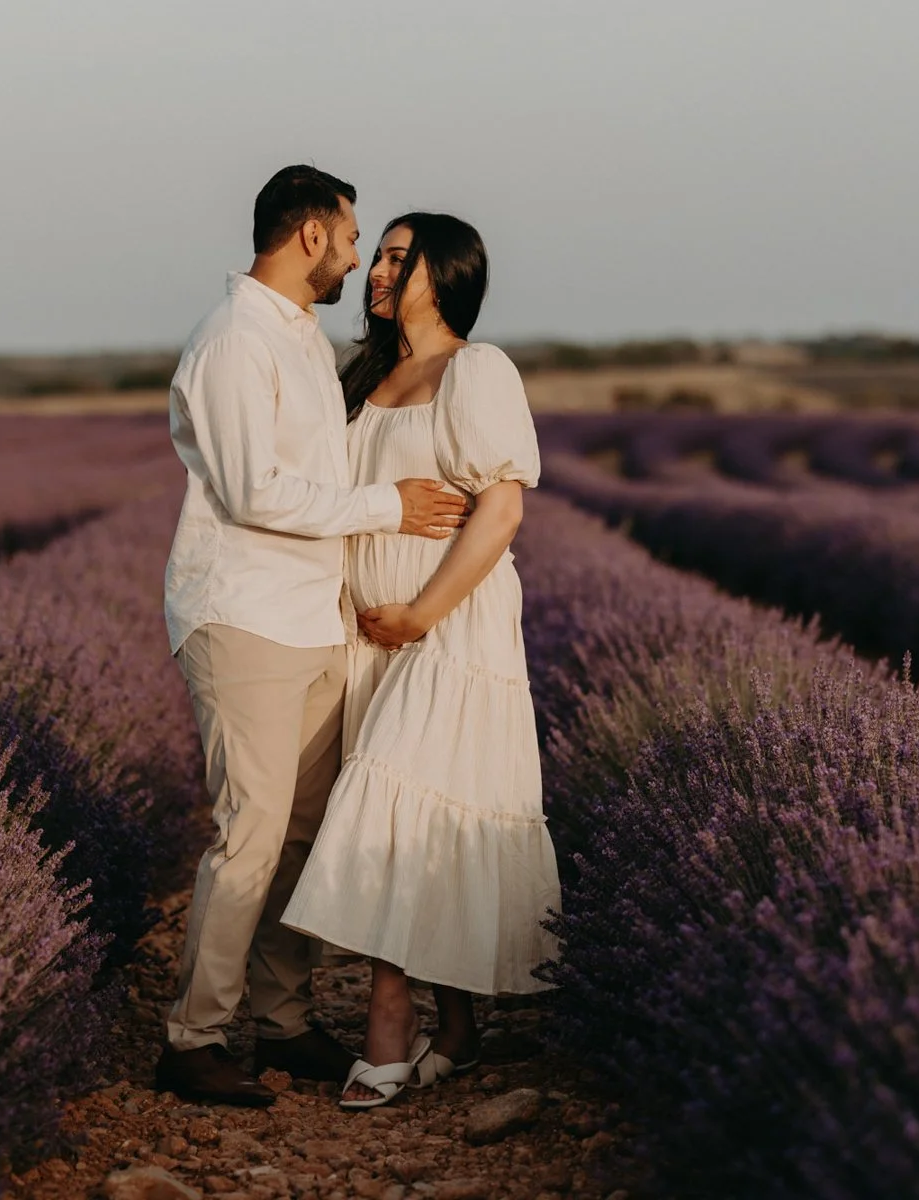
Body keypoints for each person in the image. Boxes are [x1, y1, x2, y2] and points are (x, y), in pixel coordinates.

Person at [156, 167, 471, 1107]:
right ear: (307, 237)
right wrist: (390, 507)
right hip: (242, 614)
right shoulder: (232, 343)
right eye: (350, 238)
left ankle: (283, 1026)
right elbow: (255, 492)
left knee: (298, 834)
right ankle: (194, 1039)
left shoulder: (301, 341)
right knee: (248, 835)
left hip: (308, 615)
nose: (356, 257)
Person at [280, 212, 563, 1109]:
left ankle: (388, 1021)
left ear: (447, 274)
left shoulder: (475, 370)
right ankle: (464, 1030)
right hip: (372, 629)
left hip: (449, 625)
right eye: (382, 255)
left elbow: (502, 511)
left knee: (395, 811)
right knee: (423, 816)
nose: (378, 270)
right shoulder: (364, 375)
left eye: (400, 258)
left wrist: (419, 614)